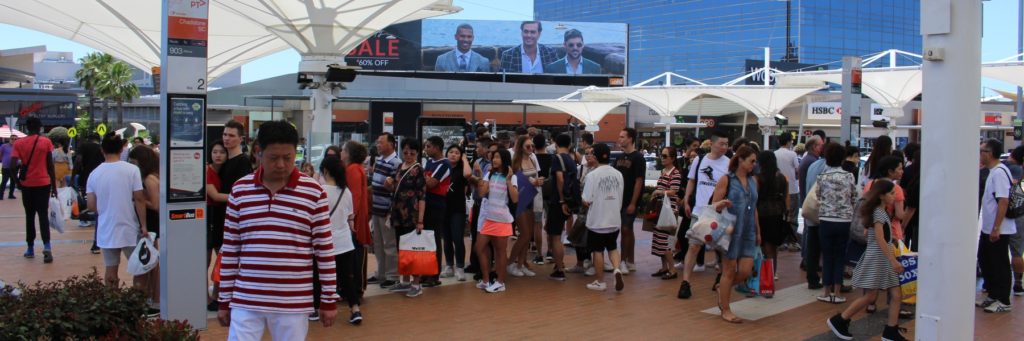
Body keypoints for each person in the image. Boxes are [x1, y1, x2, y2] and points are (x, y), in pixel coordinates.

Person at [217, 120, 339, 339]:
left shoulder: (314, 192)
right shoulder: (240, 190)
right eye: (274, 158)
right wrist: (224, 298)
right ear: (258, 153)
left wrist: (328, 299)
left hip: (292, 302)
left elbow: (325, 250)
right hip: (246, 298)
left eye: (288, 158)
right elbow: (230, 248)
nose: (282, 164)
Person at [827, 180, 909, 341]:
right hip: (879, 257)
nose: (895, 196)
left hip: (881, 256)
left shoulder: (880, 211)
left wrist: (888, 239)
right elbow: (878, 238)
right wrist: (892, 259)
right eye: (891, 193)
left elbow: (873, 235)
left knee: (891, 294)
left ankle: (890, 330)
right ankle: (841, 320)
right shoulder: (879, 213)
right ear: (881, 196)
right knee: (874, 296)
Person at [86, 133, 153, 316]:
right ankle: (137, 305)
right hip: (130, 227)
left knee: (111, 268)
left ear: (102, 150)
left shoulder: (94, 174)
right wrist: (144, 225)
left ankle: (112, 304)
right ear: (122, 148)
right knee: (139, 268)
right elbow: (139, 199)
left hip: (106, 229)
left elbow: (91, 206)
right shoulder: (131, 170)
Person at [709, 146, 760, 323]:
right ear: (740, 160)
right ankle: (726, 308)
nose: (754, 164)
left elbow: (754, 208)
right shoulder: (726, 180)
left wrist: (758, 231)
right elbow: (714, 205)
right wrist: (722, 203)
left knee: (745, 271)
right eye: (751, 161)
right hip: (730, 230)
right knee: (729, 270)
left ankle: (721, 289)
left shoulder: (753, 181)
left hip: (748, 231)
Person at [678, 131, 730, 299]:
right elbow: (691, 181)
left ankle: (720, 276)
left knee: (720, 248)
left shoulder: (729, 163)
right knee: (693, 246)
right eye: (721, 143)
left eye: (726, 144)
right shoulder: (699, 160)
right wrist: (687, 200)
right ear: (712, 144)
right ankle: (685, 282)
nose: (724, 147)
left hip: (719, 212)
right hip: (699, 211)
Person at [315, 155, 364, 325]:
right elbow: (350, 216)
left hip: (324, 243)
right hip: (344, 242)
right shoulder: (346, 191)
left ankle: (315, 309)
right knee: (346, 278)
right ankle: (355, 309)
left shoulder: (319, 191)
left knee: (318, 276)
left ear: (325, 171)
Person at [814, 143, 857, 304]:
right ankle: (838, 293)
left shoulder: (822, 177)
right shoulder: (849, 176)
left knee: (827, 256)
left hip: (826, 219)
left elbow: (818, 197)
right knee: (840, 256)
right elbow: (854, 197)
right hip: (844, 219)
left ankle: (826, 292)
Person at [976, 139, 1015, 313]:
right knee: (986, 259)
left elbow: (1003, 201)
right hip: (989, 228)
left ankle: (1003, 299)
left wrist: (996, 227)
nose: (980, 154)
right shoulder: (993, 171)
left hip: (998, 229)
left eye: (982, 151)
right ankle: (993, 294)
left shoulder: (999, 172)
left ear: (989, 153)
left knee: (999, 263)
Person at [10, 117, 56, 262]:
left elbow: (11, 166)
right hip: (43, 183)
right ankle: (47, 246)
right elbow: (50, 166)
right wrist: (54, 186)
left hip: (28, 185)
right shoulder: (46, 142)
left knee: (29, 216)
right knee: (43, 215)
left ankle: (30, 248)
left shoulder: (19, 143)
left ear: (27, 127)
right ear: (40, 127)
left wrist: (18, 182)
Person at [582, 143, 626, 292]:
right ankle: (616, 269)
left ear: (595, 156)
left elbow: (587, 199)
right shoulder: (618, 174)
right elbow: (621, 196)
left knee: (598, 251)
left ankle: (600, 281)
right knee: (612, 247)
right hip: (614, 218)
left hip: (598, 220)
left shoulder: (592, 175)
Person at [387, 139, 428, 297]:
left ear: (417, 153)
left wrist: (420, 221)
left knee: (412, 250)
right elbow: (396, 190)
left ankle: (416, 284)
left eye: (412, 152)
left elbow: (422, 197)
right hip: (398, 214)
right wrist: (389, 184)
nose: (409, 155)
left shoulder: (418, 170)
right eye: (405, 152)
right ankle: (405, 281)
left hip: (412, 215)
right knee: (401, 249)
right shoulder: (399, 167)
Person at [475, 149, 518, 293]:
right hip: (489, 218)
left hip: (502, 219)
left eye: (498, 157)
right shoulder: (490, 174)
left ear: (504, 159)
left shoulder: (512, 177)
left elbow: (515, 198)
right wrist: (481, 176)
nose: (494, 159)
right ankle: (486, 280)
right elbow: (481, 193)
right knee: (479, 248)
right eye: (493, 157)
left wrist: (508, 181)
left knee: (500, 252)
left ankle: (500, 282)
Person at [127, 144, 161, 310]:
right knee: (152, 262)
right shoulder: (152, 176)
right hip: (151, 223)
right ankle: (153, 298)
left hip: (152, 223)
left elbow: (155, 205)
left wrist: (137, 199)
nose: (132, 165)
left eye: (134, 162)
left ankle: (155, 299)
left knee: (152, 263)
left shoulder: (149, 179)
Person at [370, 133, 402, 289]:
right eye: (377, 142)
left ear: (391, 144)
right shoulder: (379, 161)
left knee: (389, 243)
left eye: (381, 142)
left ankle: (392, 275)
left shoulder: (396, 163)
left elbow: (397, 189)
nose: (378, 145)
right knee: (377, 243)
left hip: (387, 210)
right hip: (376, 208)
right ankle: (380, 273)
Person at [544, 134, 578, 281]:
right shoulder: (571, 160)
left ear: (555, 143)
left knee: (556, 236)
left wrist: (562, 200)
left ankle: (559, 269)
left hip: (559, 202)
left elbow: (559, 179)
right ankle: (559, 264)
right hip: (570, 201)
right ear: (569, 145)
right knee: (555, 233)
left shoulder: (558, 158)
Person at [508, 135, 543, 277]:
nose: (531, 149)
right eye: (528, 146)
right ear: (521, 147)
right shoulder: (516, 162)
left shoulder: (533, 159)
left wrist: (538, 181)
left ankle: (521, 264)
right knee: (525, 234)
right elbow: (515, 181)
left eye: (532, 146)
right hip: (520, 201)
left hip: (531, 199)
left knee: (528, 235)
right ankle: (511, 263)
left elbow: (533, 178)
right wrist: (533, 182)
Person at [420, 136, 452, 287]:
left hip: (436, 205)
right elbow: (424, 181)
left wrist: (421, 181)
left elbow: (431, 183)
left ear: (437, 148)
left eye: (428, 146)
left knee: (434, 239)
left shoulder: (444, 164)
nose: (426, 149)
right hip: (426, 204)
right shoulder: (429, 163)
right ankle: (425, 273)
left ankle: (434, 274)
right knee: (425, 239)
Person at [614, 128, 646, 275]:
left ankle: (622, 261)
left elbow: (639, 181)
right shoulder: (619, 157)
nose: (620, 139)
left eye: (622, 137)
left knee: (625, 229)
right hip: (618, 201)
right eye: (619, 136)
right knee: (628, 230)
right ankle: (630, 261)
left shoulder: (638, 158)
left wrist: (633, 203)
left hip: (629, 200)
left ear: (630, 138)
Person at [756, 150, 789, 291]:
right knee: (772, 247)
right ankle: (772, 273)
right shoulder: (782, 177)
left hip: (761, 213)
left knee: (761, 245)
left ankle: (761, 275)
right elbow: (786, 198)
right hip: (777, 213)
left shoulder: (757, 178)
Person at [341, 141, 371, 293]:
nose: (341, 152)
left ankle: (355, 288)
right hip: (357, 218)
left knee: (354, 256)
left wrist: (350, 218)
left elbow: (354, 197)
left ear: (348, 153)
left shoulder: (352, 169)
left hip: (354, 221)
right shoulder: (357, 168)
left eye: (343, 150)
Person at [649, 146, 682, 280]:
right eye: (661, 155)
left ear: (672, 158)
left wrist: (659, 192)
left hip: (669, 211)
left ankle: (672, 269)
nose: (662, 158)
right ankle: (664, 267)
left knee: (665, 241)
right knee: (659, 239)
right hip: (661, 208)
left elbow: (674, 191)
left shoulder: (675, 173)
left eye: (665, 156)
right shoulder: (664, 171)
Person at [441, 144, 471, 281]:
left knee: (457, 238)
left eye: (457, 153)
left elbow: (468, 174)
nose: (453, 154)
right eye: (451, 152)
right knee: (446, 239)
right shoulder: (443, 168)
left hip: (457, 209)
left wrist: (465, 160)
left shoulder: (461, 169)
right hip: (443, 208)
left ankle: (460, 267)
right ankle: (448, 266)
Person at [205, 140, 229, 311]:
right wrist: (241, 195)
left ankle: (216, 295)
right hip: (208, 216)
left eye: (221, 152)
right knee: (205, 260)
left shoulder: (226, 172)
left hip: (221, 217)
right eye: (215, 152)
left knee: (221, 259)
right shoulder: (207, 171)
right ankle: (206, 297)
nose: (218, 155)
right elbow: (214, 195)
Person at [798, 136, 825, 290]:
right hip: (817, 209)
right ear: (814, 146)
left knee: (811, 240)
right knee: (814, 241)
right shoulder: (814, 163)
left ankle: (809, 266)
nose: (821, 147)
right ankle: (810, 266)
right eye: (820, 145)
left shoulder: (811, 163)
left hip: (810, 206)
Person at [774, 133, 801, 252]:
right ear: (789, 141)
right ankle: (792, 242)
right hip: (793, 189)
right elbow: (797, 169)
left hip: (778, 189)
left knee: (780, 215)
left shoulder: (774, 154)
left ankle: (780, 241)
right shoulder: (792, 154)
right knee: (793, 216)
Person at [219, 120, 253, 207]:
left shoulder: (243, 161)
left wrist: (215, 196)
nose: (226, 138)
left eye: (231, 135)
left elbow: (243, 193)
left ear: (241, 139)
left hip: (234, 210)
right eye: (225, 134)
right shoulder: (225, 159)